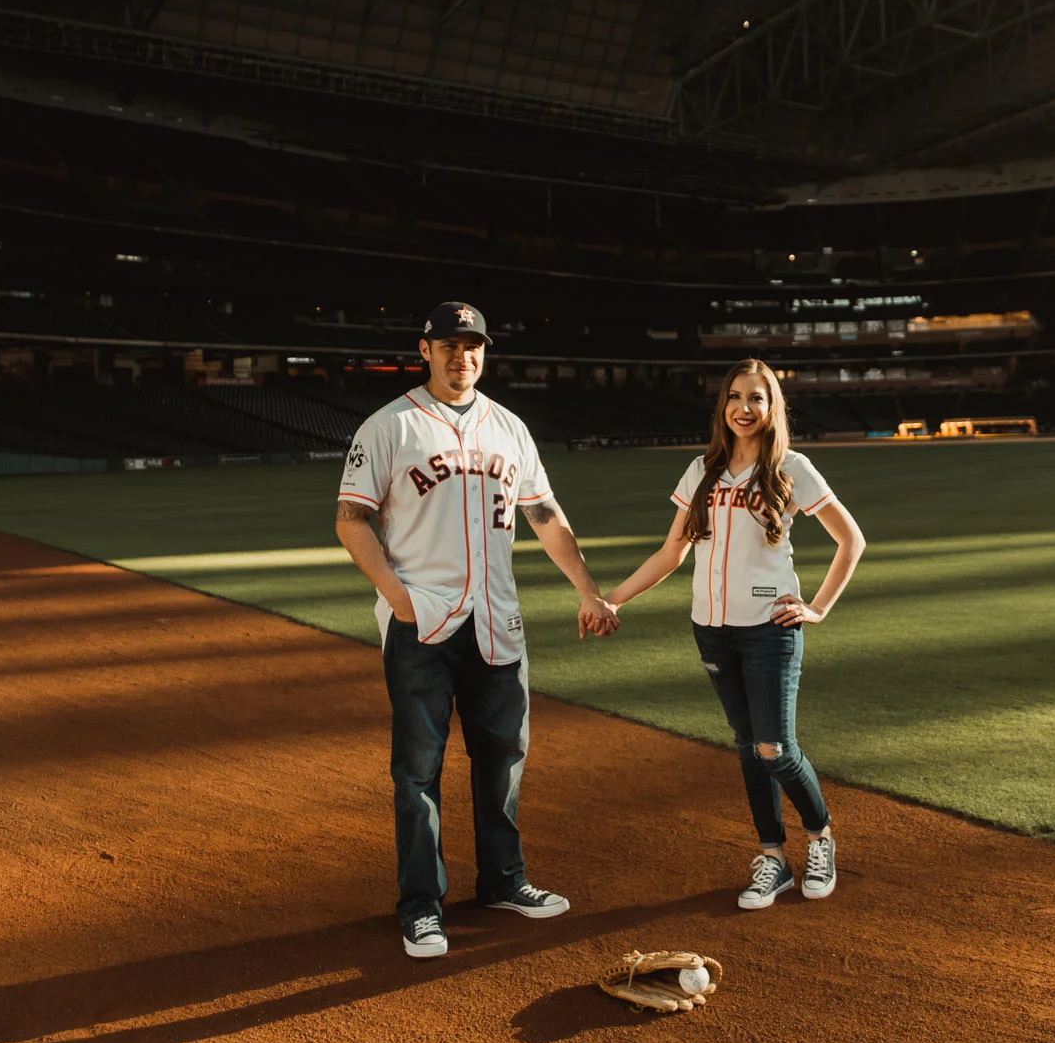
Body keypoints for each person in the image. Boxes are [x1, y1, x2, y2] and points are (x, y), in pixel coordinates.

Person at [336, 301, 621, 959]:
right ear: (426, 349)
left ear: (484, 352)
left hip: (496, 618)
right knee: (418, 769)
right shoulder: (390, 425)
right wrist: (398, 598)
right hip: (423, 624)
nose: (461, 356)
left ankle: (503, 880)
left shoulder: (510, 428)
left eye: (473, 345)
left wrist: (586, 590)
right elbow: (351, 517)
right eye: (449, 344)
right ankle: (421, 906)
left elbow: (545, 513)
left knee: (503, 757)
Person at [602, 358, 865, 908]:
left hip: (769, 629)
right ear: (723, 405)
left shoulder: (793, 467)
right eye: (736, 397)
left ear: (773, 409)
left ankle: (820, 835)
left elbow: (851, 541)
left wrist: (817, 608)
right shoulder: (702, 470)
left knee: (775, 748)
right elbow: (672, 552)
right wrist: (612, 599)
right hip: (712, 630)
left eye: (757, 398)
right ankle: (773, 857)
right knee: (749, 748)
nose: (745, 408)